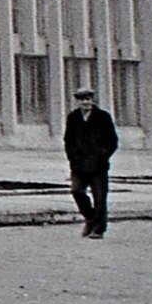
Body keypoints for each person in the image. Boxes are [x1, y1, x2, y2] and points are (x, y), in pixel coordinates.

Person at [63, 86, 118, 238]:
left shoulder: (103, 117)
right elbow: (68, 140)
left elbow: (112, 141)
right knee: (77, 191)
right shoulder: (73, 117)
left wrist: (102, 156)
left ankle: (98, 229)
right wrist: (72, 157)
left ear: (92, 100)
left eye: (88, 99)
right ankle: (90, 218)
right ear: (77, 102)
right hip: (79, 165)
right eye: (82, 100)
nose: (85, 103)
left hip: (98, 165)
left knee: (99, 197)